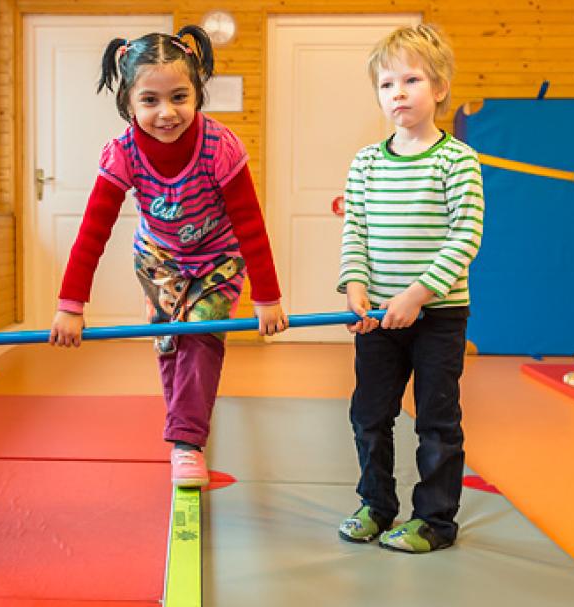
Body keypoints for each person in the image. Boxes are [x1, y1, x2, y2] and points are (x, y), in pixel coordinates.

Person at [49, 25, 288, 487]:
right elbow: (92, 234)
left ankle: (186, 442)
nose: (167, 113)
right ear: (129, 103)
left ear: (198, 93)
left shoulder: (220, 147)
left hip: (219, 257)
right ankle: (184, 420)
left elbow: (251, 226)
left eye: (180, 96)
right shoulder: (121, 154)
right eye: (150, 100)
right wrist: (69, 306)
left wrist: (267, 296)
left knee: (201, 335)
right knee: (170, 342)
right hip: (158, 259)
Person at [336, 24, 484, 553]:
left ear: (439, 87)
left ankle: (434, 521)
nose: (397, 93)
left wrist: (416, 295)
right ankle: (376, 504)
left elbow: (466, 235)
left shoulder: (456, 160)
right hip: (376, 316)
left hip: (438, 315)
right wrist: (355, 288)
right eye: (386, 84)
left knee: (437, 419)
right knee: (369, 414)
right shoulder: (366, 163)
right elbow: (354, 230)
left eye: (411, 80)